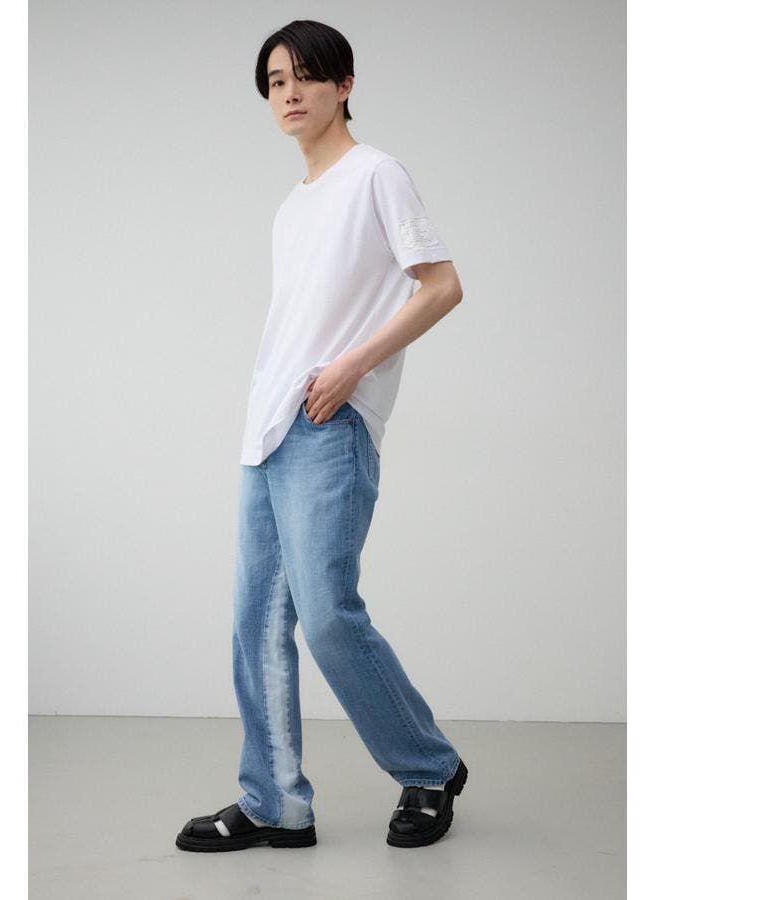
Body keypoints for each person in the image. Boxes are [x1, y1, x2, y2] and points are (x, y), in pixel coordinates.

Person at [176, 19, 467, 853]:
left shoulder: (376, 174)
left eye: (305, 76)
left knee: (329, 616)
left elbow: (442, 286)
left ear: (345, 85)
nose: (289, 93)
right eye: (275, 82)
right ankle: (275, 803)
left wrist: (350, 370)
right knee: (256, 626)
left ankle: (429, 768)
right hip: (268, 428)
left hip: (331, 421)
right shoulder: (292, 206)